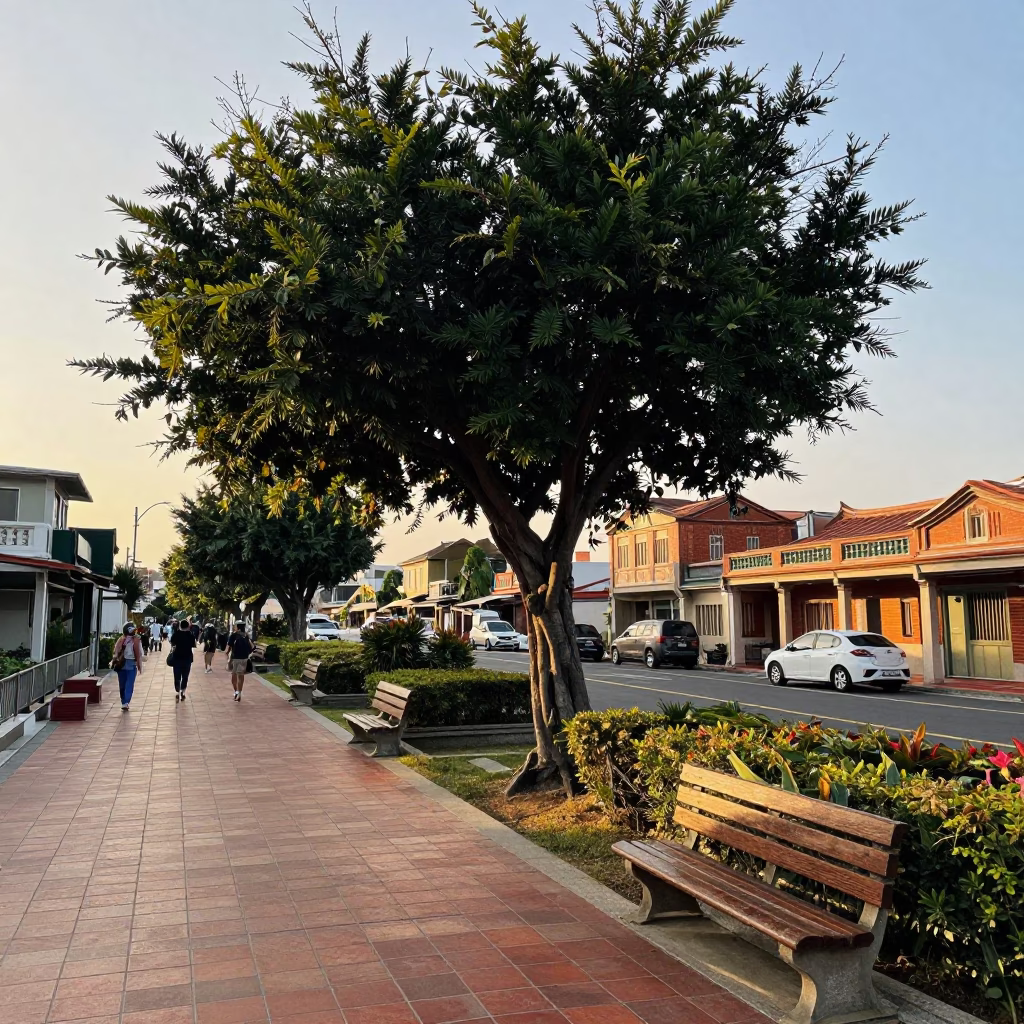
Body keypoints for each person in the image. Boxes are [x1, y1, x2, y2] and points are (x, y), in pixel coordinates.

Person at [112, 622, 144, 711]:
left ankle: (124, 702)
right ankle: (126, 702)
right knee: (129, 684)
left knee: (122, 684)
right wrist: (139, 665)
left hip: (120, 664)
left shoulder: (121, 639)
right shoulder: (136, 640)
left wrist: (115, 659)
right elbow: (139, 653)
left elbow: (115, 652)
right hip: (131, 664)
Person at [169, 618, 196, 702]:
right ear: (188, 626)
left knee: (177, 674)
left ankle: (177, 689)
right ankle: (183, 691)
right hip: (187, 658)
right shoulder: (190, 635)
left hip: (177, 657)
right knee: (185, 675)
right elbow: (193, 645)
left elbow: (172, 642)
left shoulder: (176, 634)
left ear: (180, 626)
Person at [225, 622, 253, 702]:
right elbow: (251, 647)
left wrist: (227, 655)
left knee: (234, 678)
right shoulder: (246, 635)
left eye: (235, 626)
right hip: (244, 658)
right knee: (240, 677)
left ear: (238, 627)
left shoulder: (234, 635)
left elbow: (229, 647)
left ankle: (236, 692)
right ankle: (239, 693)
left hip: (235, 658)